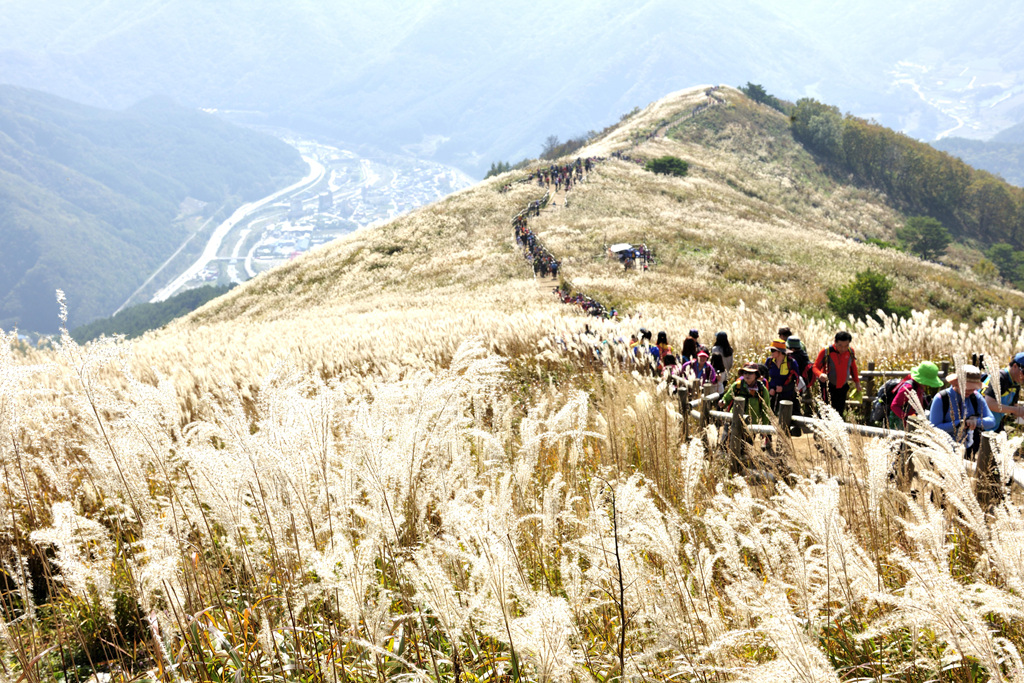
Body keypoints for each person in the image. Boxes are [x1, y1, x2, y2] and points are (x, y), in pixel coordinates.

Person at [928, 365, 995, 454]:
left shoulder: (976, 397)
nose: (970, 391)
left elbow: (991, 421)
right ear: (956, 383)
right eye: (967, 388)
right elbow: (934, 428)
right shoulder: (941, 398)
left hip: (967, 449)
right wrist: (960, 423)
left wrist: (976, 421)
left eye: (973, 388)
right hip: (943, 450)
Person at [812, 331, 861, 418]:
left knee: (839, 412)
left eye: (846, 346)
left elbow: (853, 367)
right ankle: (820, 430)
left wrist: (857, 383)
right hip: (827, 386)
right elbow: (815, 367)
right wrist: (820, 374)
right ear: (835, 342)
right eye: (840, 346)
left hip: (842, 387)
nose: (843, 349)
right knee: (825, 411)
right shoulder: (826, 351)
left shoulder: (850, 351)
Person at [890, 361, 944, 429]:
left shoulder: (919, 386)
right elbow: (894, 406)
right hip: (903, 424)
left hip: (913, 422)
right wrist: (907, 418)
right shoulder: (908, 388)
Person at [982, 352, 1024, 432]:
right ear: (1015, 366)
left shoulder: (1016, 383)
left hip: (995, 426)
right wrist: (1015, 410)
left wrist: (1020, 412)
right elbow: (989, 403)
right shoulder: (999, 377)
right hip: (980, 426)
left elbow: (1014, 408)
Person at [764, 339, 800, 413]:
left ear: (780, 352)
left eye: (773, 350)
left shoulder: (791, 363)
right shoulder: (769, 361)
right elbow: (764, 378)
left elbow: (796, 381)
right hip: (772, 396)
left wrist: (783, 389)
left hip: (788, 398)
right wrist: (769, 388)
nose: (771, 352)